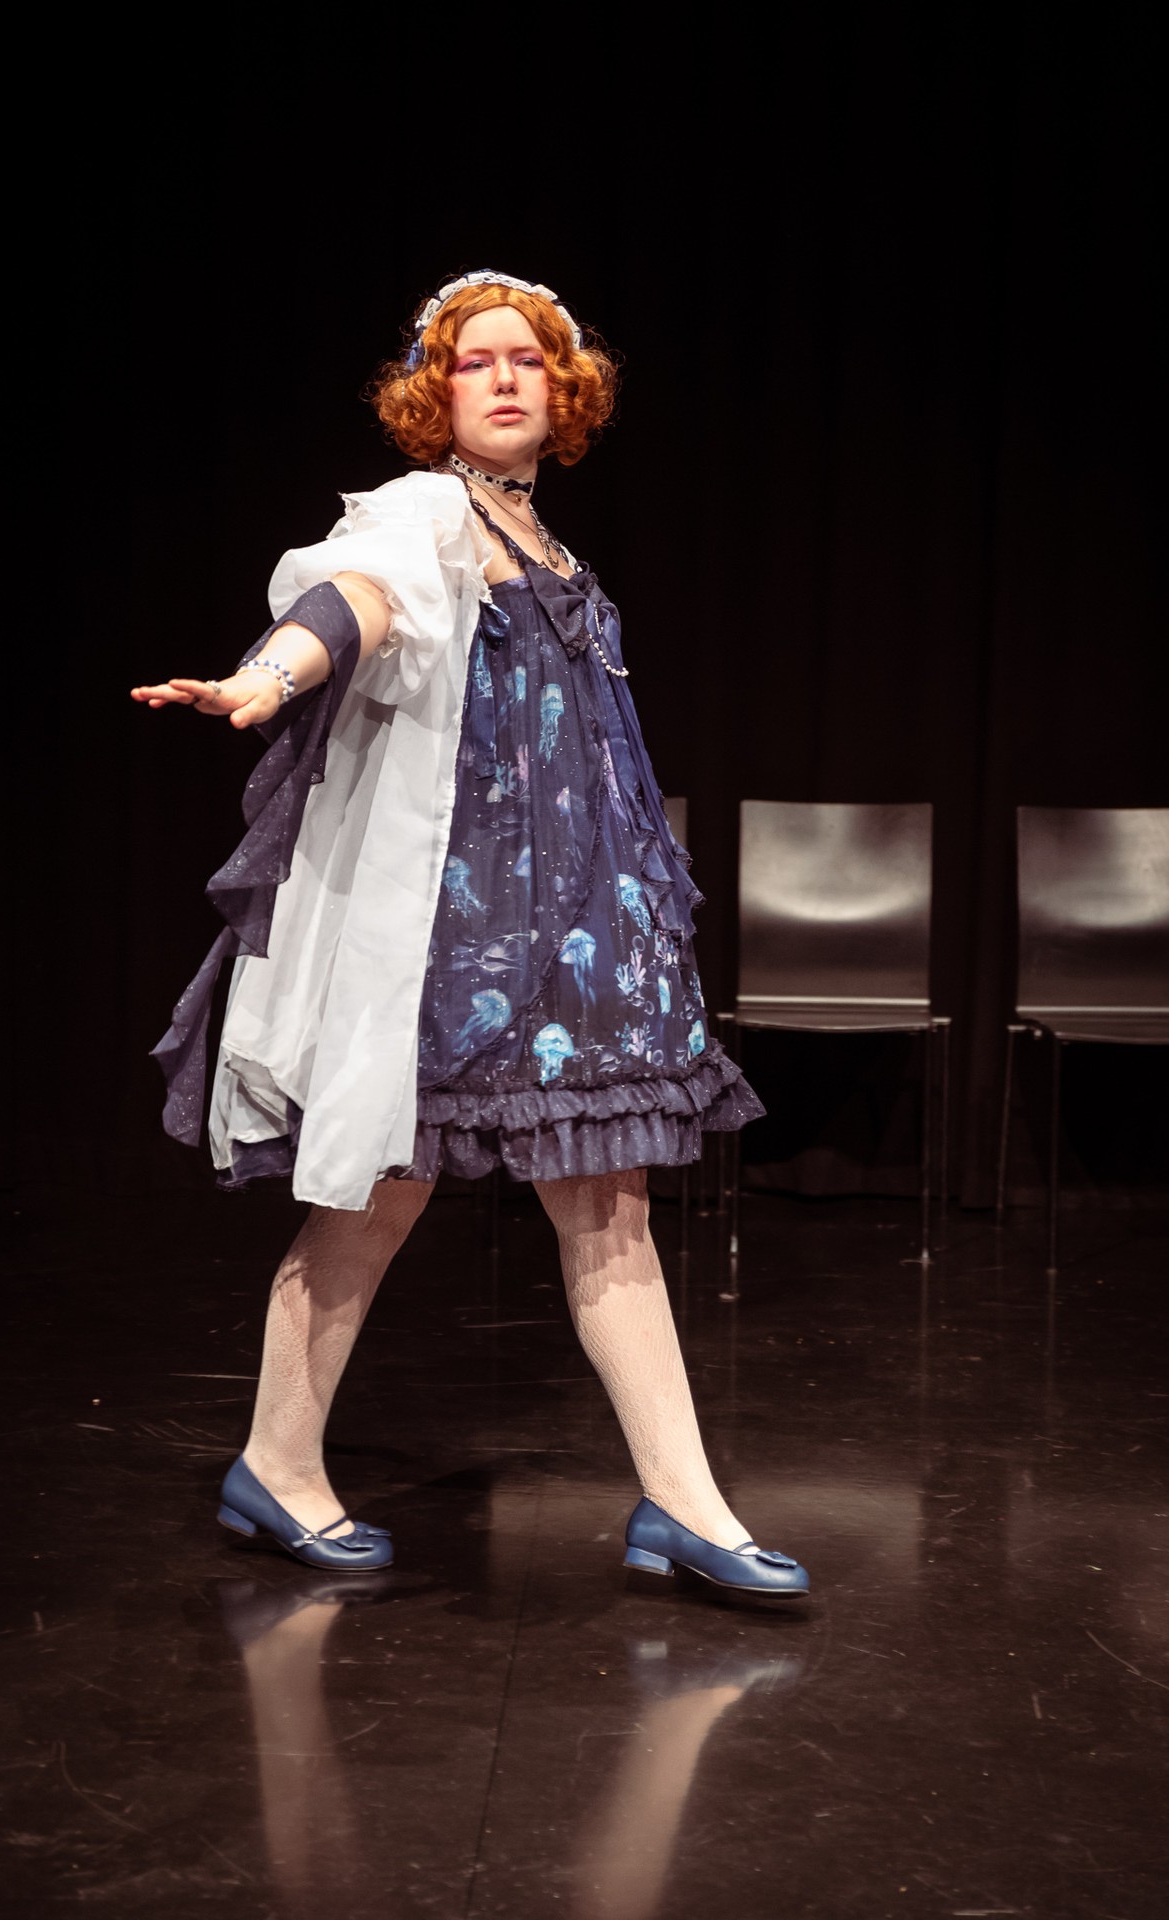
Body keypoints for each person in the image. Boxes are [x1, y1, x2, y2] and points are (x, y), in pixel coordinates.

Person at [131, 269, 809, 1600]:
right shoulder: (429, 512)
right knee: (375, 1197)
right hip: (465, 938)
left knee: (607, 1197)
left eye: (527, 359)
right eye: (472, 360)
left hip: (576, 928)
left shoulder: (543, 539)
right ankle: (277, 1463)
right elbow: (358, 599)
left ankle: (685, 1503)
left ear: (564, 389)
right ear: (430, 395)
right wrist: (266, 676)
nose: (502, 378)